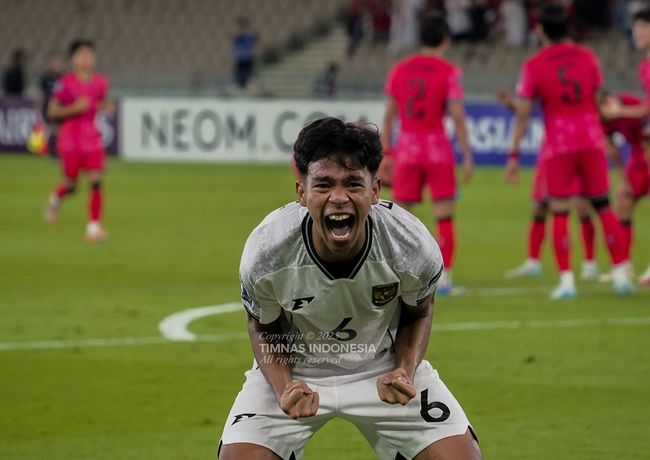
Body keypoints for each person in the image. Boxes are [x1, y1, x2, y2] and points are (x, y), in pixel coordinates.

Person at [219, 117, 482, 460]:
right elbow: (262, 326)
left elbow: (420, 311)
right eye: (324, 184)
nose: (339, 197)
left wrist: (404, 369)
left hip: (383, 367)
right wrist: (284, 387)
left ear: (375, 191)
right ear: (302, 192)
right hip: (296, 371)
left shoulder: (411, 245)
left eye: (353, 184)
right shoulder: (267, 251)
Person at [505, 4, 633, 299]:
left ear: (540, 30)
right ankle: (620, 274)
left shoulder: (535, 64)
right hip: (591, 138)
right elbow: (599, 101)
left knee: (560, 212)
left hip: (560, 144)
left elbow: (523, 114)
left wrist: (513, 156)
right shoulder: (588, 58)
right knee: (603, 206)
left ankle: (566, 281)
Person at [381, 13, 474, 295]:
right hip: (437, 149)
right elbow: (457, 117)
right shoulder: (449, 72)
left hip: (407, 149)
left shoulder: (400, 69)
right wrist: (467, 155)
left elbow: (388, 116)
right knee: (444, 217)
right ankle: (444, 280)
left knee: (400, 218)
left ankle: (397, 278)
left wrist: (386, 153)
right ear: (445, 40)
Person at [496, 90, 600, 281]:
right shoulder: (546, 86)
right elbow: (526, 110)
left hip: (578, 147)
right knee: (540, 205)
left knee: (581, 206)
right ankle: (533, 262)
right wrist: (511, 105)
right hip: (553, 150)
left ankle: (590, 263)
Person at [44, 39, 113, 243]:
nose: (86, 59)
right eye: (81, 55)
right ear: (73, 59)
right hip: (70, 140)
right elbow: (52, 111)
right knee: (71, 185)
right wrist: (74, 108)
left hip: (92, 138)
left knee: (96, 180)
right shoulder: (65, 83)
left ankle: (93, 228)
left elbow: (101, 101)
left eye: (89, 55)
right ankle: (55, 199)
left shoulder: (100, 81)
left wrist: (106, 106)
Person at [601, 92, 650, 282]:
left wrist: (622, 111)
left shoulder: (632, 103)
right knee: (622, 206)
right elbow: (612, 149)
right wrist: (623, 179)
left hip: (647, 151)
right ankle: (623, 265)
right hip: (638, 157)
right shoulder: (604, 118)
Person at [37, 53, 65, 157]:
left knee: (57, 129)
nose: (57, 64)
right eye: (55, 62)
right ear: (51, 63)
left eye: (58, 62)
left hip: (61, 107)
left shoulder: (64, 77)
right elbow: (41, 94)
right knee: (53, 128)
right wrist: (39, 107)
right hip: (48, 106)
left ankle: (53, 150)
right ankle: (52, 151)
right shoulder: (46, 77)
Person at [232, 17, 257, 89]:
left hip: (248, 58)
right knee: (240, 74)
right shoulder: (237, 35)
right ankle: (240, 84)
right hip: (240, 58)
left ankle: (248, 84)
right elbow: (234, 39)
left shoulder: (249, 35)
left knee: (249, 74)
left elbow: (255, 39)